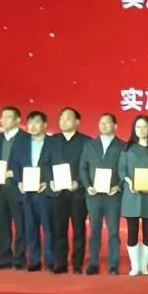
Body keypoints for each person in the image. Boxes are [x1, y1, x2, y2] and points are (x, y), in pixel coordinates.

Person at [78, 113, 125, 275]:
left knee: (113, 231)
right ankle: (93, 263)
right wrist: (87, 186)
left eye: (107, 123)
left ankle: (113, 265)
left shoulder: (122, 146)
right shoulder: (90, 145)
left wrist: (118, 186)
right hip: (94, 195)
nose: (103, 125)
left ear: (115, 126)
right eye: (101, 123)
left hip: (113, 196)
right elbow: (83, 168)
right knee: (94, 230)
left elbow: (125, 170)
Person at [0, 106, 28, 269]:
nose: (3, 120)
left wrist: (13, 173)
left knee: (21, 225)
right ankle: (4, 258)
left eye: (8, 117)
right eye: (2, 117)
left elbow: (30, 162)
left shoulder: (26, 139)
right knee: (1, 225)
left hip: (17, 187)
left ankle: (19, 258)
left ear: (17, 120)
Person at [48, 107, 91, 274]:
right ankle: (61, 263)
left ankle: (77, 263)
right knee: (59, 229)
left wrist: (78, 182)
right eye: (61, 118)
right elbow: (45, 164)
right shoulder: (51, 141)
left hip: (77, 193)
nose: (63, 121)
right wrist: (50, 181)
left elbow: (88, 166)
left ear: (77, 122)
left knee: (79, 229)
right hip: (57, 192)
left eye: (68, 118)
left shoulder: (86, 142)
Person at [9, 111, 54, 272]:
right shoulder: (21, 144)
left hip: (45, 192)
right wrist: (19, 181)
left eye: (36, 122)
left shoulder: (53, 143)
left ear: (44, 125)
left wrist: (47, 182)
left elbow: (56, 165)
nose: (33, 126)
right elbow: (14, 165)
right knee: (30, 228)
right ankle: (34, 261)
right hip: (27, 193)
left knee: (49, 228)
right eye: (30, 123)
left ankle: (50, 261)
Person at [119, 115, 148, 276]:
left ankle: (144, 266)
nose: (141, 130)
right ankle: (135, 266)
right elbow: (121, 170)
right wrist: (129, 182)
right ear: (134, 129)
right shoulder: (127, 149)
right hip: (132, 195)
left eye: (144, 127)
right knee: (132, 230)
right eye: (138, 127)